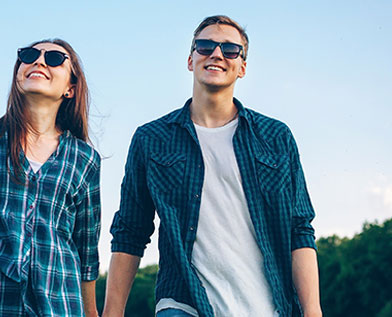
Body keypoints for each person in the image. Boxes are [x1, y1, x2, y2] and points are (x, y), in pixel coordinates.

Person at [103, 16, 321, 317]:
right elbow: (130, 230)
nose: (216, 54)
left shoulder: (275, 137)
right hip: (183, 302)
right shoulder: (152, 139)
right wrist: (111, 313)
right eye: (205, 46)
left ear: (242, 67)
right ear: (190, 59)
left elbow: (299, 229)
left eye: (230, 49)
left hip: (268, 304)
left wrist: (313, 311)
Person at [0, 39, 101, 317]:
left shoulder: (85, 158)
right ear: (18, 76)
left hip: (60, 306)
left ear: (70, 88)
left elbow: (86, 253)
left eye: (54, 58)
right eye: (29, 55)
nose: (39, 61)